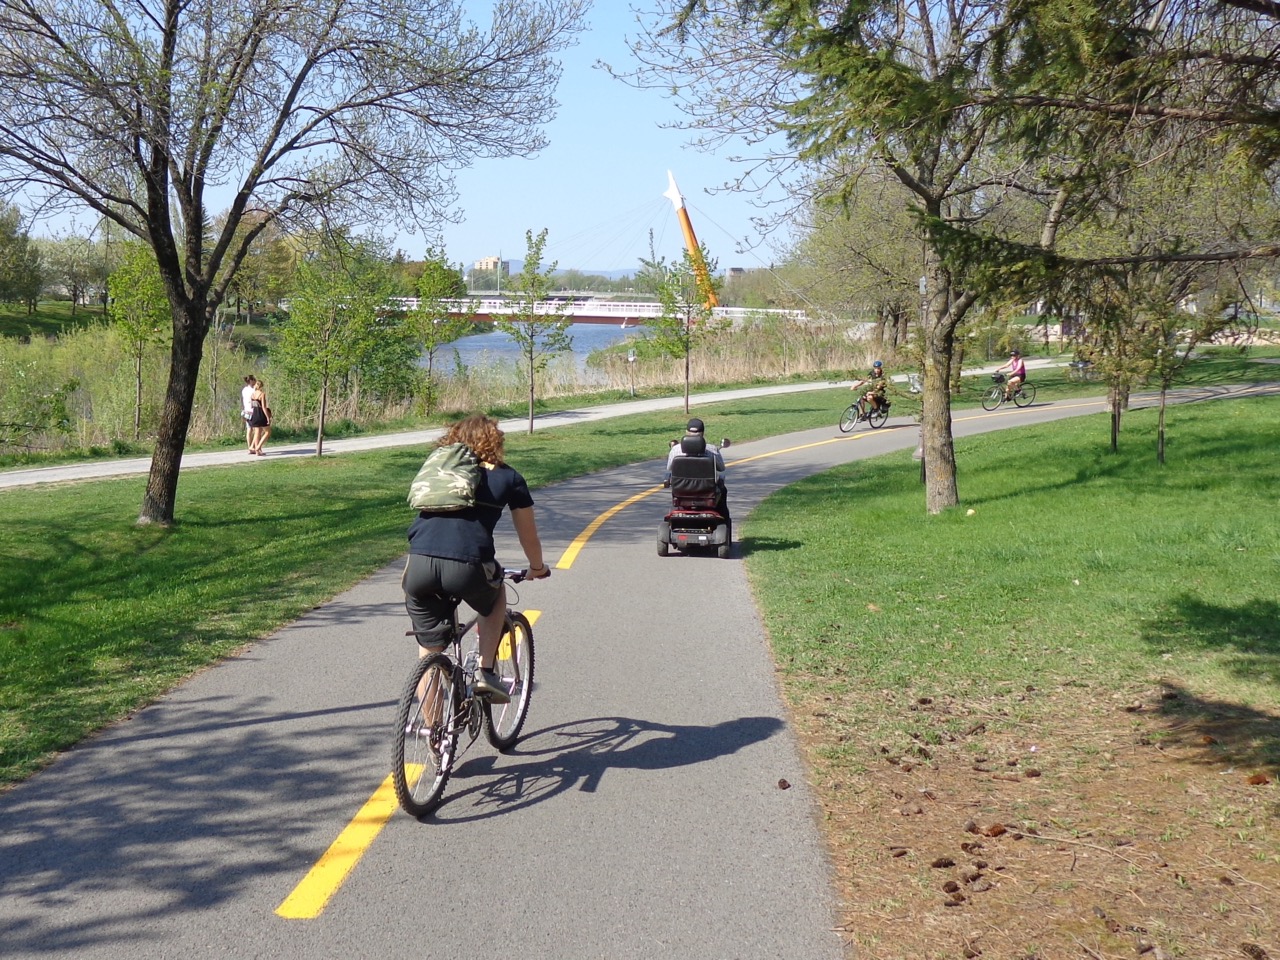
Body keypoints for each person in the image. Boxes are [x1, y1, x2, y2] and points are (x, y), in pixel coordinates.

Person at [403, 414, 550, 702]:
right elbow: (528, 535)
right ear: (495, 441)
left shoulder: (439, 476)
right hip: (467, 565)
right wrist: (537, 567)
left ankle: (436, 740)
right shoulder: (509, 477)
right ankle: (486, 672)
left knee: (429, 652)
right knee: (496, 595)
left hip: (418, 564)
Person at [665, 417, 729, 520]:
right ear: (702, 433)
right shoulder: (712, 450)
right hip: (707, 493)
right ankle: (724, 520)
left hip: (682, 493)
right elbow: (721, 468)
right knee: (722, 487)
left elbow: (669, 468)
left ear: (686, 432)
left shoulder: (676, 450)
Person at [247, 378, 270, 455]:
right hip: (261, 414)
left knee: (257, 432)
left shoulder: (252, 395)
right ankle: (258, 447)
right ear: (261, 386)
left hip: (254, 414)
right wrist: (267, 417)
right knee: (267, 432)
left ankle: (258, 451)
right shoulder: (262, 394)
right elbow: (263, 407)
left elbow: (251, 406)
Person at [241, 375, 257, 453]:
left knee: (249, 429)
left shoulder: (244, 390)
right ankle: (252, 447)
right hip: (253, 411)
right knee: (256, 430)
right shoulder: (253, 390)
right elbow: (254, 401)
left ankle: (249, 447)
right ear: (251, 381)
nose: (255, 381)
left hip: (246, 411)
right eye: (254, 380)